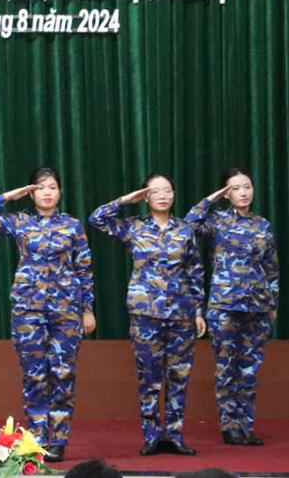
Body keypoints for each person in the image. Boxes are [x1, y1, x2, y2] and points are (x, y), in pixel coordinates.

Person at [0, 166, 95, 462]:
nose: (47, 192)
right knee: (34, 375)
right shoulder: (20, 221)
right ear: (31, 193)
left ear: (60, 191)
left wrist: (88, 309)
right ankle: (37, 439)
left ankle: (59, 440)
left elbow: (84, 267)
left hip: (66, 310)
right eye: (40, 187)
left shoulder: (72, 225)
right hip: (28, 309)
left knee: (63, 374)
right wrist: (10, 196)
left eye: (52, 187)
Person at [89, 174, 204, 457]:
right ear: (145, 196)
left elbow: (195, 271)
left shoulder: (185, 230)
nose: (163, 196)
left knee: (179, 377)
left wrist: (198, 311)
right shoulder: (134, 228)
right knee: (149, 377)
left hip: (181, 313)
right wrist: (125, 200)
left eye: (168, 191)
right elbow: (96, 219)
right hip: (145, 313)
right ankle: (152, 436)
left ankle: (174, 435)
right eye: (155, 191)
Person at [185, 167, 279, 447]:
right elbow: (188, 224)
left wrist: (272, 302)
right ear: (227, 193)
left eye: (247, 186)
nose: (243, 192)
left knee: (249, 370)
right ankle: (229, 426)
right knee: (227, 368)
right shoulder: (217, 221)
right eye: (235, 188)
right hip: (225, 306)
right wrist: (211, 199)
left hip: (258, 307)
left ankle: (245, 426)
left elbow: (271, 266)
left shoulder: (262, 225)